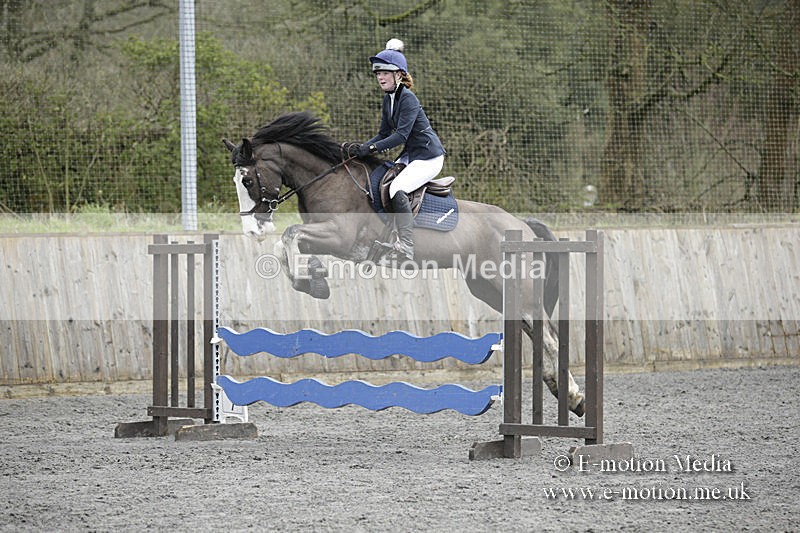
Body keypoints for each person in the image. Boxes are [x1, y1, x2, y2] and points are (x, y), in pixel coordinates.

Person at [348, 39, 446, 261]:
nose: (380, 77)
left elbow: (400, 135)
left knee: (397, 188)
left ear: (399, 75)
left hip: (429, 157)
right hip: (412, 155)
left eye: (385, 72)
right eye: (378, 73)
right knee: (383, 182)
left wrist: (371, 149)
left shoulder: (408, 99)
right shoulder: (388, 100)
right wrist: (362, 147)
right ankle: (391, 233)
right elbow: (383, 134)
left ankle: (406, 245)